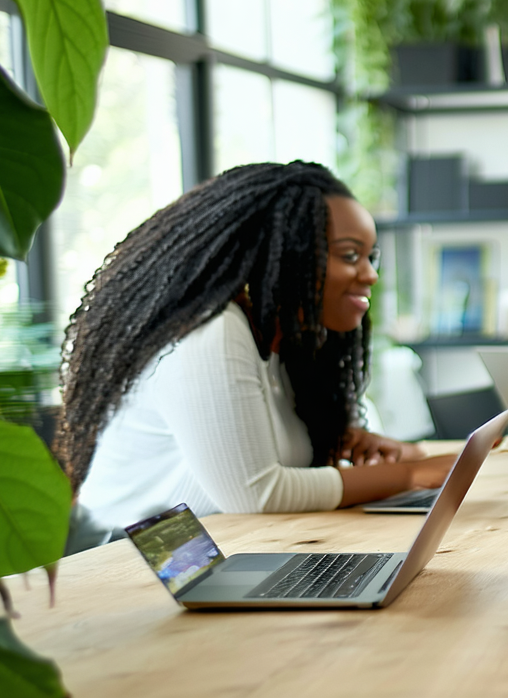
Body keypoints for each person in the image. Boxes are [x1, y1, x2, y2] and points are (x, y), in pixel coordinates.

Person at [59, 162, 457, 530]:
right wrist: (409, 475)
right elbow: (256, 494)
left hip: (227, 550)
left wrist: (346, 441)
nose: (370, 275)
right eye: (350, 255)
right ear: (282, 253)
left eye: (372, 257)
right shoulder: (211, 330)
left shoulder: (285, 341)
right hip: (130, 561)